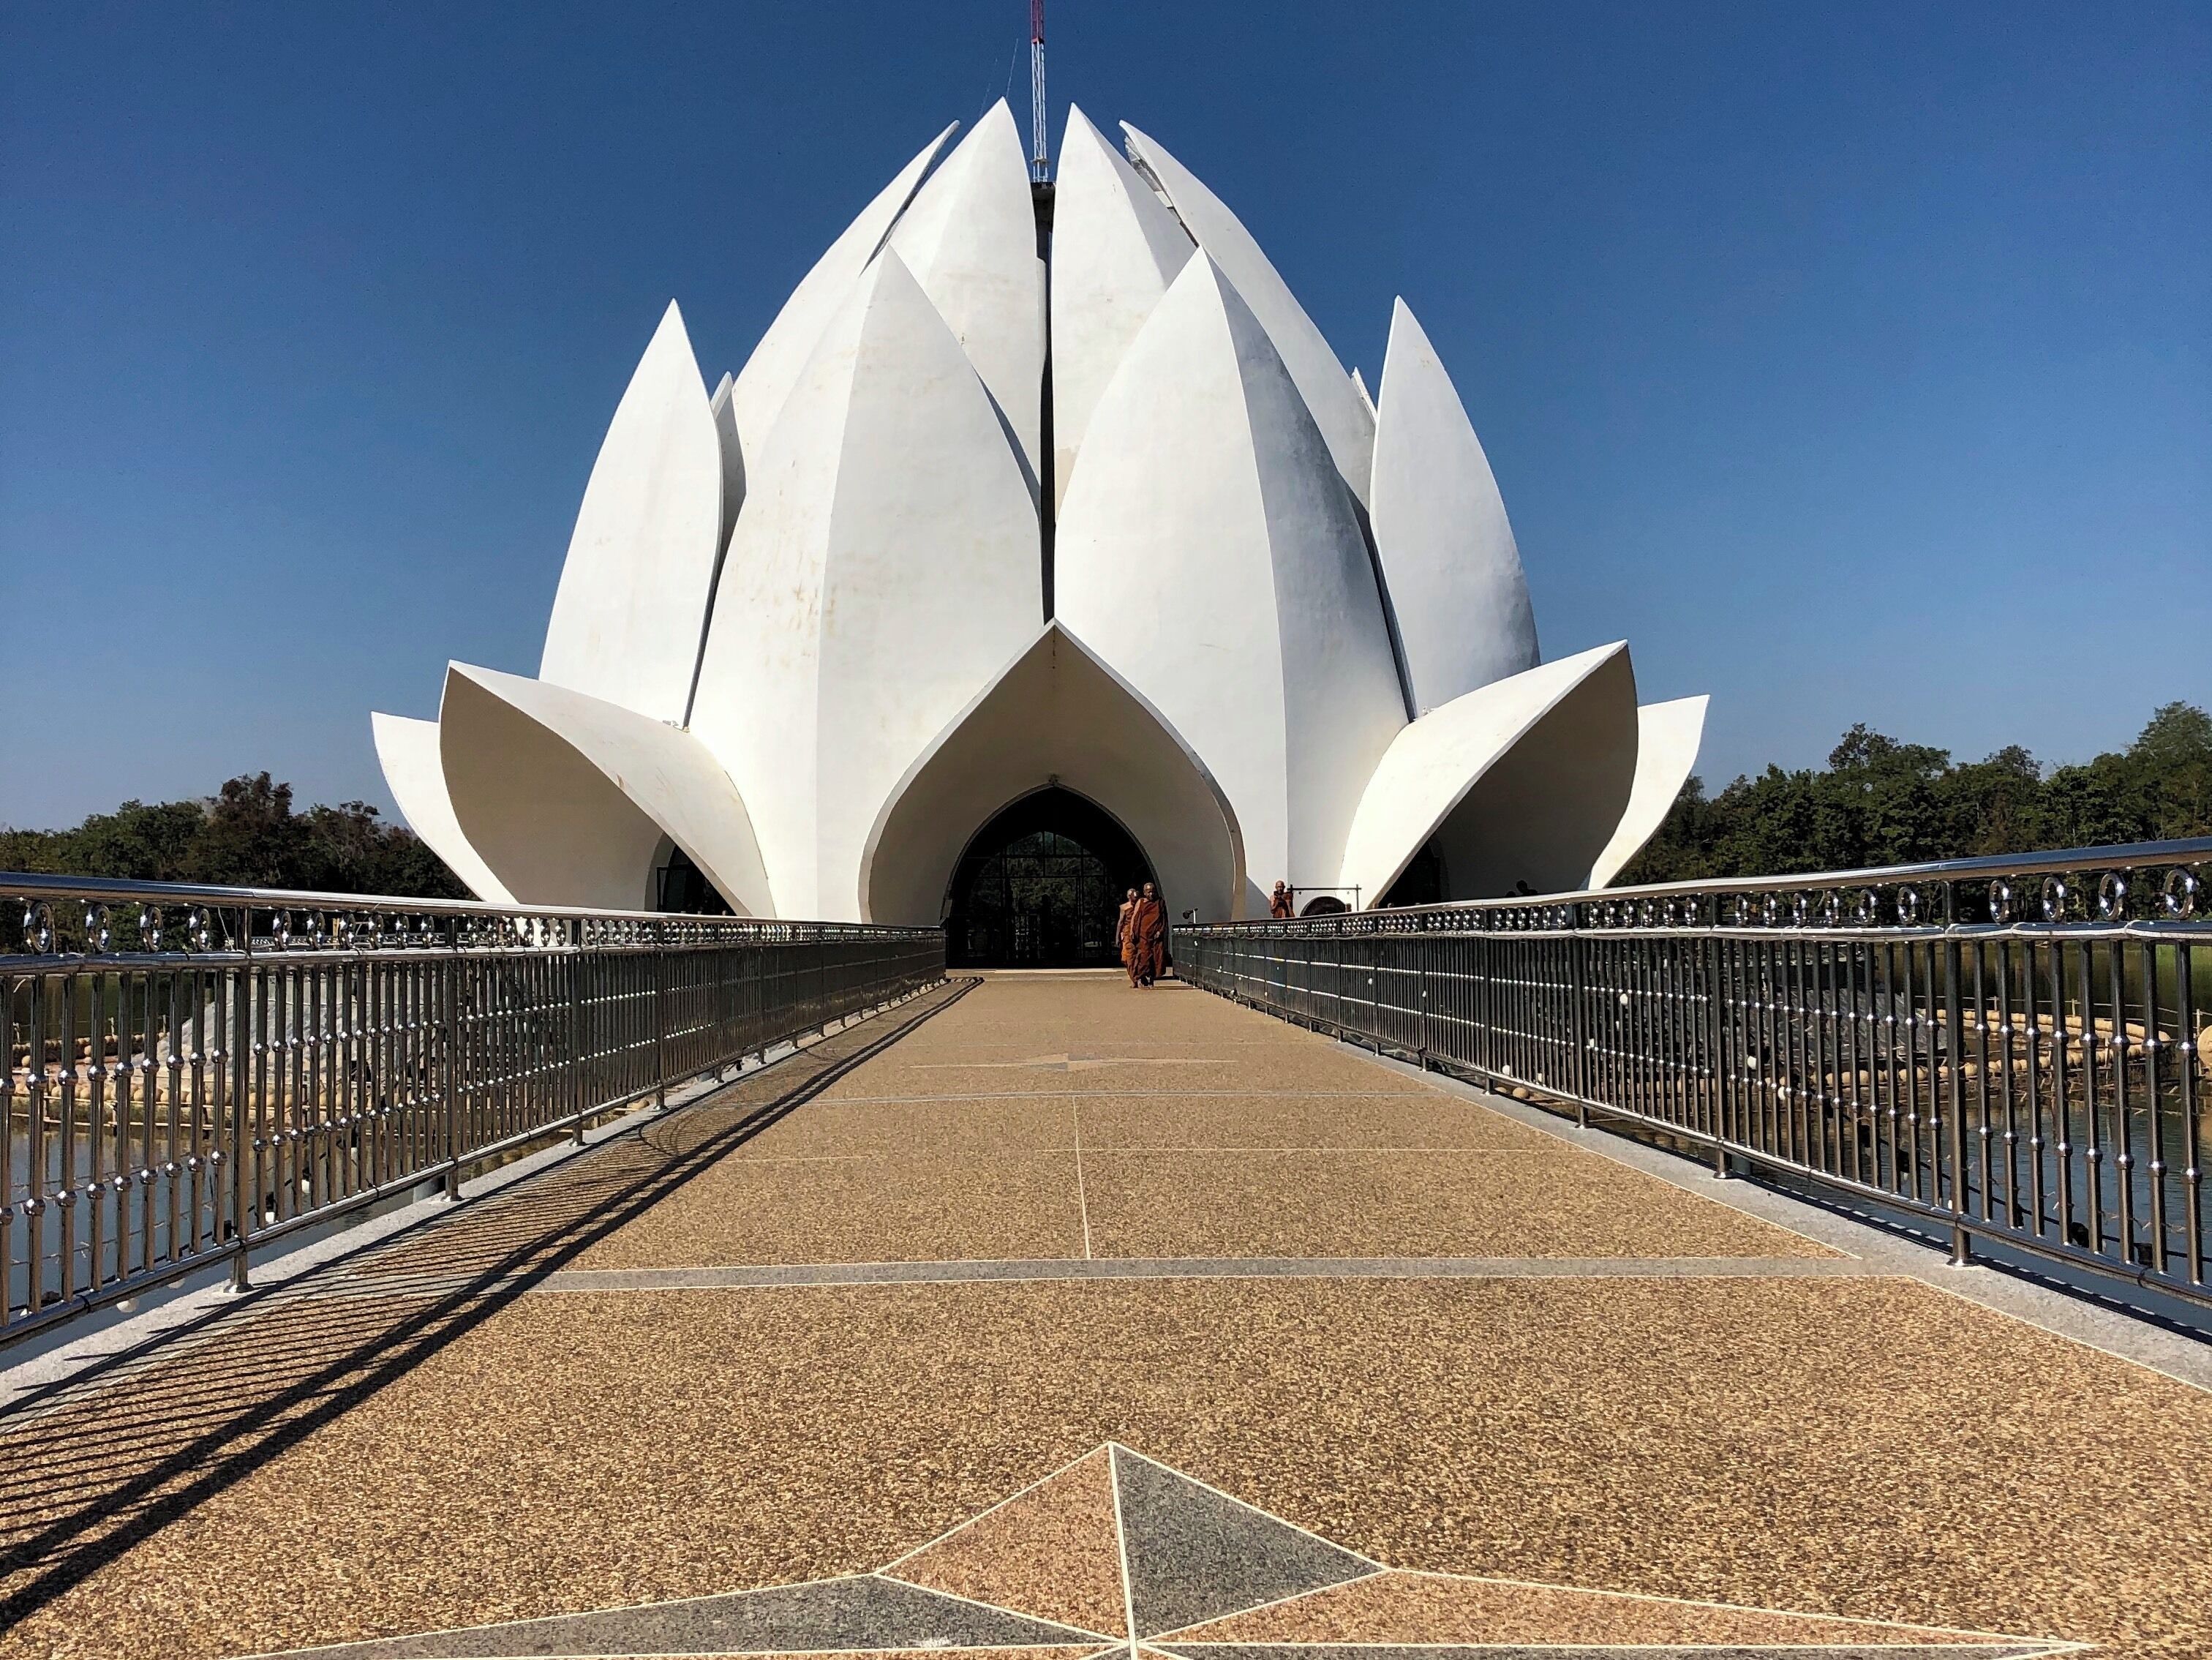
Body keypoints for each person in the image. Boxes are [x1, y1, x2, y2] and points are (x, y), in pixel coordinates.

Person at [1126, 882, 1167, 988]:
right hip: (1143, 935)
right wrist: (1133, 932)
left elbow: (1163, 919)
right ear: (1144, 893)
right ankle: (1140, 978)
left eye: (1153, 892)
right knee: (1143, 958)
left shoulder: (1160, 903)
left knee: (1156, 959)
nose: (1151, 894)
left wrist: (1160, 931)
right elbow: (1136, 919)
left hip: (1156, 936)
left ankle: (1152, 981)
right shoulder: (1141, 903)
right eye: (1149, 892)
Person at [1116, 887, 1139, 972]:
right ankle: (1133, 974)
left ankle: (1138, 975)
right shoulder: (1124, 907)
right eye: (1130, 895)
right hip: (1127, 932)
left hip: (1138, 932)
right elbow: (1120, 922)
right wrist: (1117, 936)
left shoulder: (1139, 906)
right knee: (1126, 957)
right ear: (1128, 896)